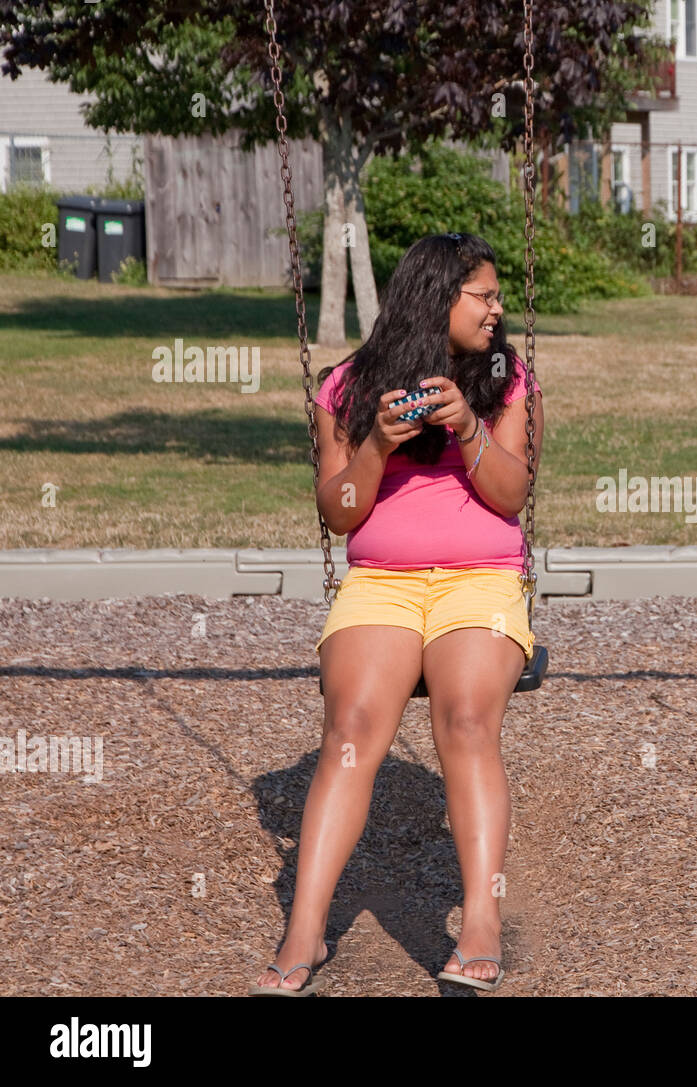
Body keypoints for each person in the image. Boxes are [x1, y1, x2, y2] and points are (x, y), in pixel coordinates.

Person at [250, 233, 542, 994]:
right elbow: (341, 512)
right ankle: (306, 929)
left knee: (467, 719)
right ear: (437, 297)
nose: (497, 308)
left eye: (498, 295)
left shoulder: (509, 380)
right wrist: (378, 442)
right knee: (350, 728)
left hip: (480, 581)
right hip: (381, 582)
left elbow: (511, 496)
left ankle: (479, 919)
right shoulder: (346, 386)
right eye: (484, 294)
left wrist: (468, 428)